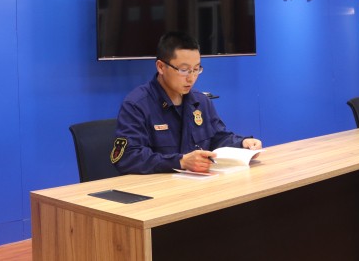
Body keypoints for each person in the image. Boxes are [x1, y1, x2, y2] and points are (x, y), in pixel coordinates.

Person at [112, 31, 262, 174]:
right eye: (184, 70)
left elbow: (218, 138)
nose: (191, 78)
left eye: (196, 69)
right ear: (161, 67)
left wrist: (242, 143)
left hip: (197, 184)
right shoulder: (137, 104)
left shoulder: (201, 101)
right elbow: (127, 157)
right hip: (158, 187)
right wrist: (180, 162)